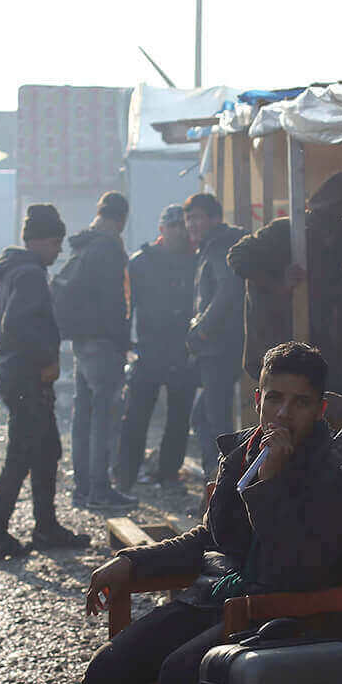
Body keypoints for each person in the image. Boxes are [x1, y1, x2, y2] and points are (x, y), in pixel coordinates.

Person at [61, 342, 342, 684]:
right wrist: (134, 561)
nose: (284, 413)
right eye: (274, 399)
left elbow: (298, 564)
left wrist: (269, 487)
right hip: (220, 595)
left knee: (183, 672)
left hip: (285, 608)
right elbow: (210, 537)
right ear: (258, 397)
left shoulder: (332, 465)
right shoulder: (243, 451)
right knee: (106, 672)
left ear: (321, 407)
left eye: (300, 402)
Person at [0, 203, 90, 561]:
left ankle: (46, 527)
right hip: (28, 377)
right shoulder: (29, 273)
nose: (59, 251)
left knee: (46, 451)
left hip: (16, 374)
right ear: (43, 241)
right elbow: (20, 325)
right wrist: (47, 359)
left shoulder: (13, 271)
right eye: (56, 243)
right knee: (21, 455)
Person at [227, 172, 342, 393]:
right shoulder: (286, 232)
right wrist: (278, 284)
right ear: (338, 208)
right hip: (281, 354)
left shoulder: (334, 246)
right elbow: (238, 256)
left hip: (320, 356)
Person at [54, 191, 135, 511]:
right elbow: (116, 301)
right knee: (104, 416)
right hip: (104, 343)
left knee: (83, 415)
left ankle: (84, 488)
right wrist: (122, 341)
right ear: (121, 219)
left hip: (81, 342)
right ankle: (101, 489)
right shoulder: (108, 248)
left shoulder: (83, 245)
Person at [116, 205, 198, 489]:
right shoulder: (140, 262)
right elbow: (126, 306)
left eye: (181, 226)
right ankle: (126, 474)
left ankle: (168, 473)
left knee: (178, 418)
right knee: (136, 416)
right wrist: (125, 343)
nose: (178, 231)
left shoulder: (196, 261)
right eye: (172, 225)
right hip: (149, 349)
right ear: (161, 229)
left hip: (182, 349)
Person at [183, 191, 246, 480]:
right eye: (188, 219)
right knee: (204, 416)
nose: (192, 224)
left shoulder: (219, 247)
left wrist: (202, 330)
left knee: (215, 420)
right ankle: (217, 478)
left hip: (218, 347)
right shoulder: (211, 246)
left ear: (215, 218)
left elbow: (227, 291)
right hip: (217, 347)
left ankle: (222, 481)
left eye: (198, 217)